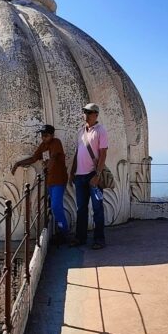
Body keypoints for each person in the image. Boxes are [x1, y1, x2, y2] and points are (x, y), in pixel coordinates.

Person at [11, 124, 68, 245]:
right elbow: (33, 159)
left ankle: (64, 232)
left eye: (46, 135)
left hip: (59, 180)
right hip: (50, 181)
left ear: (52, 135)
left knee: (56, 206)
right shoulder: (43, 146)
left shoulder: (56, 143)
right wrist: (18, 164)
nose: (43, 137)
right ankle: (60, 231)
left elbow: (53, 158)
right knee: (53, 207)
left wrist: (47, 168)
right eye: (42, 135)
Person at [70, 102, 109, 249]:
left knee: (97, 208)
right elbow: (77, 153)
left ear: (96, 115)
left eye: (89, 112)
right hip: (80, 176)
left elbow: (103, 153)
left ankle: (99, 240)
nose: (86, 114)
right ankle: (80, 238)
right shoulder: (80, 132)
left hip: (93, 175)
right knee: (81, 209)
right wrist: (72, 171)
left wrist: (97, 175)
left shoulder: (101, 131)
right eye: (85, 112)